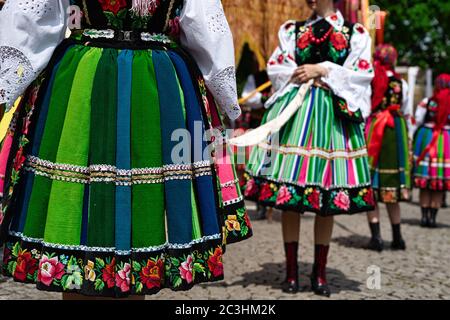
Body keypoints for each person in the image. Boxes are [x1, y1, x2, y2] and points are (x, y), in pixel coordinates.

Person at [0, 0, 252, 299]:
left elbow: (204, 23)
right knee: (77, 212)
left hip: (148, 84)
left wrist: (226, 100)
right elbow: (35, 14)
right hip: (90, 81)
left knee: (141, 224)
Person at [241, 0, 374, 297]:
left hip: (332, 119)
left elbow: (362, 75)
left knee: (326, 195)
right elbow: (277, 67)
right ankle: (291, 271)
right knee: (291, 194)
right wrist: (303, 72)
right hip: (296, 114)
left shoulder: (356, 32)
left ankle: (320, 271)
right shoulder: (292, 30)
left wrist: (323, 69)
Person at [365, 44, 412, 252]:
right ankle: (398, 237)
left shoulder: (371, 79)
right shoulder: (402, 83)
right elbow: (407, 110)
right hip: (396, 129)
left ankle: (376, 238)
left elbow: (364, 106)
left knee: (372, 182)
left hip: (376, 126)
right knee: (392, 183)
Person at [413, 73, 450, 228]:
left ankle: (424, 217)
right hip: (446, 141)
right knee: (439, 183)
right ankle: (433, 219)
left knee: (425, 181)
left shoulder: (427, 102)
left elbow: (418, 120)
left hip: (427, 137)